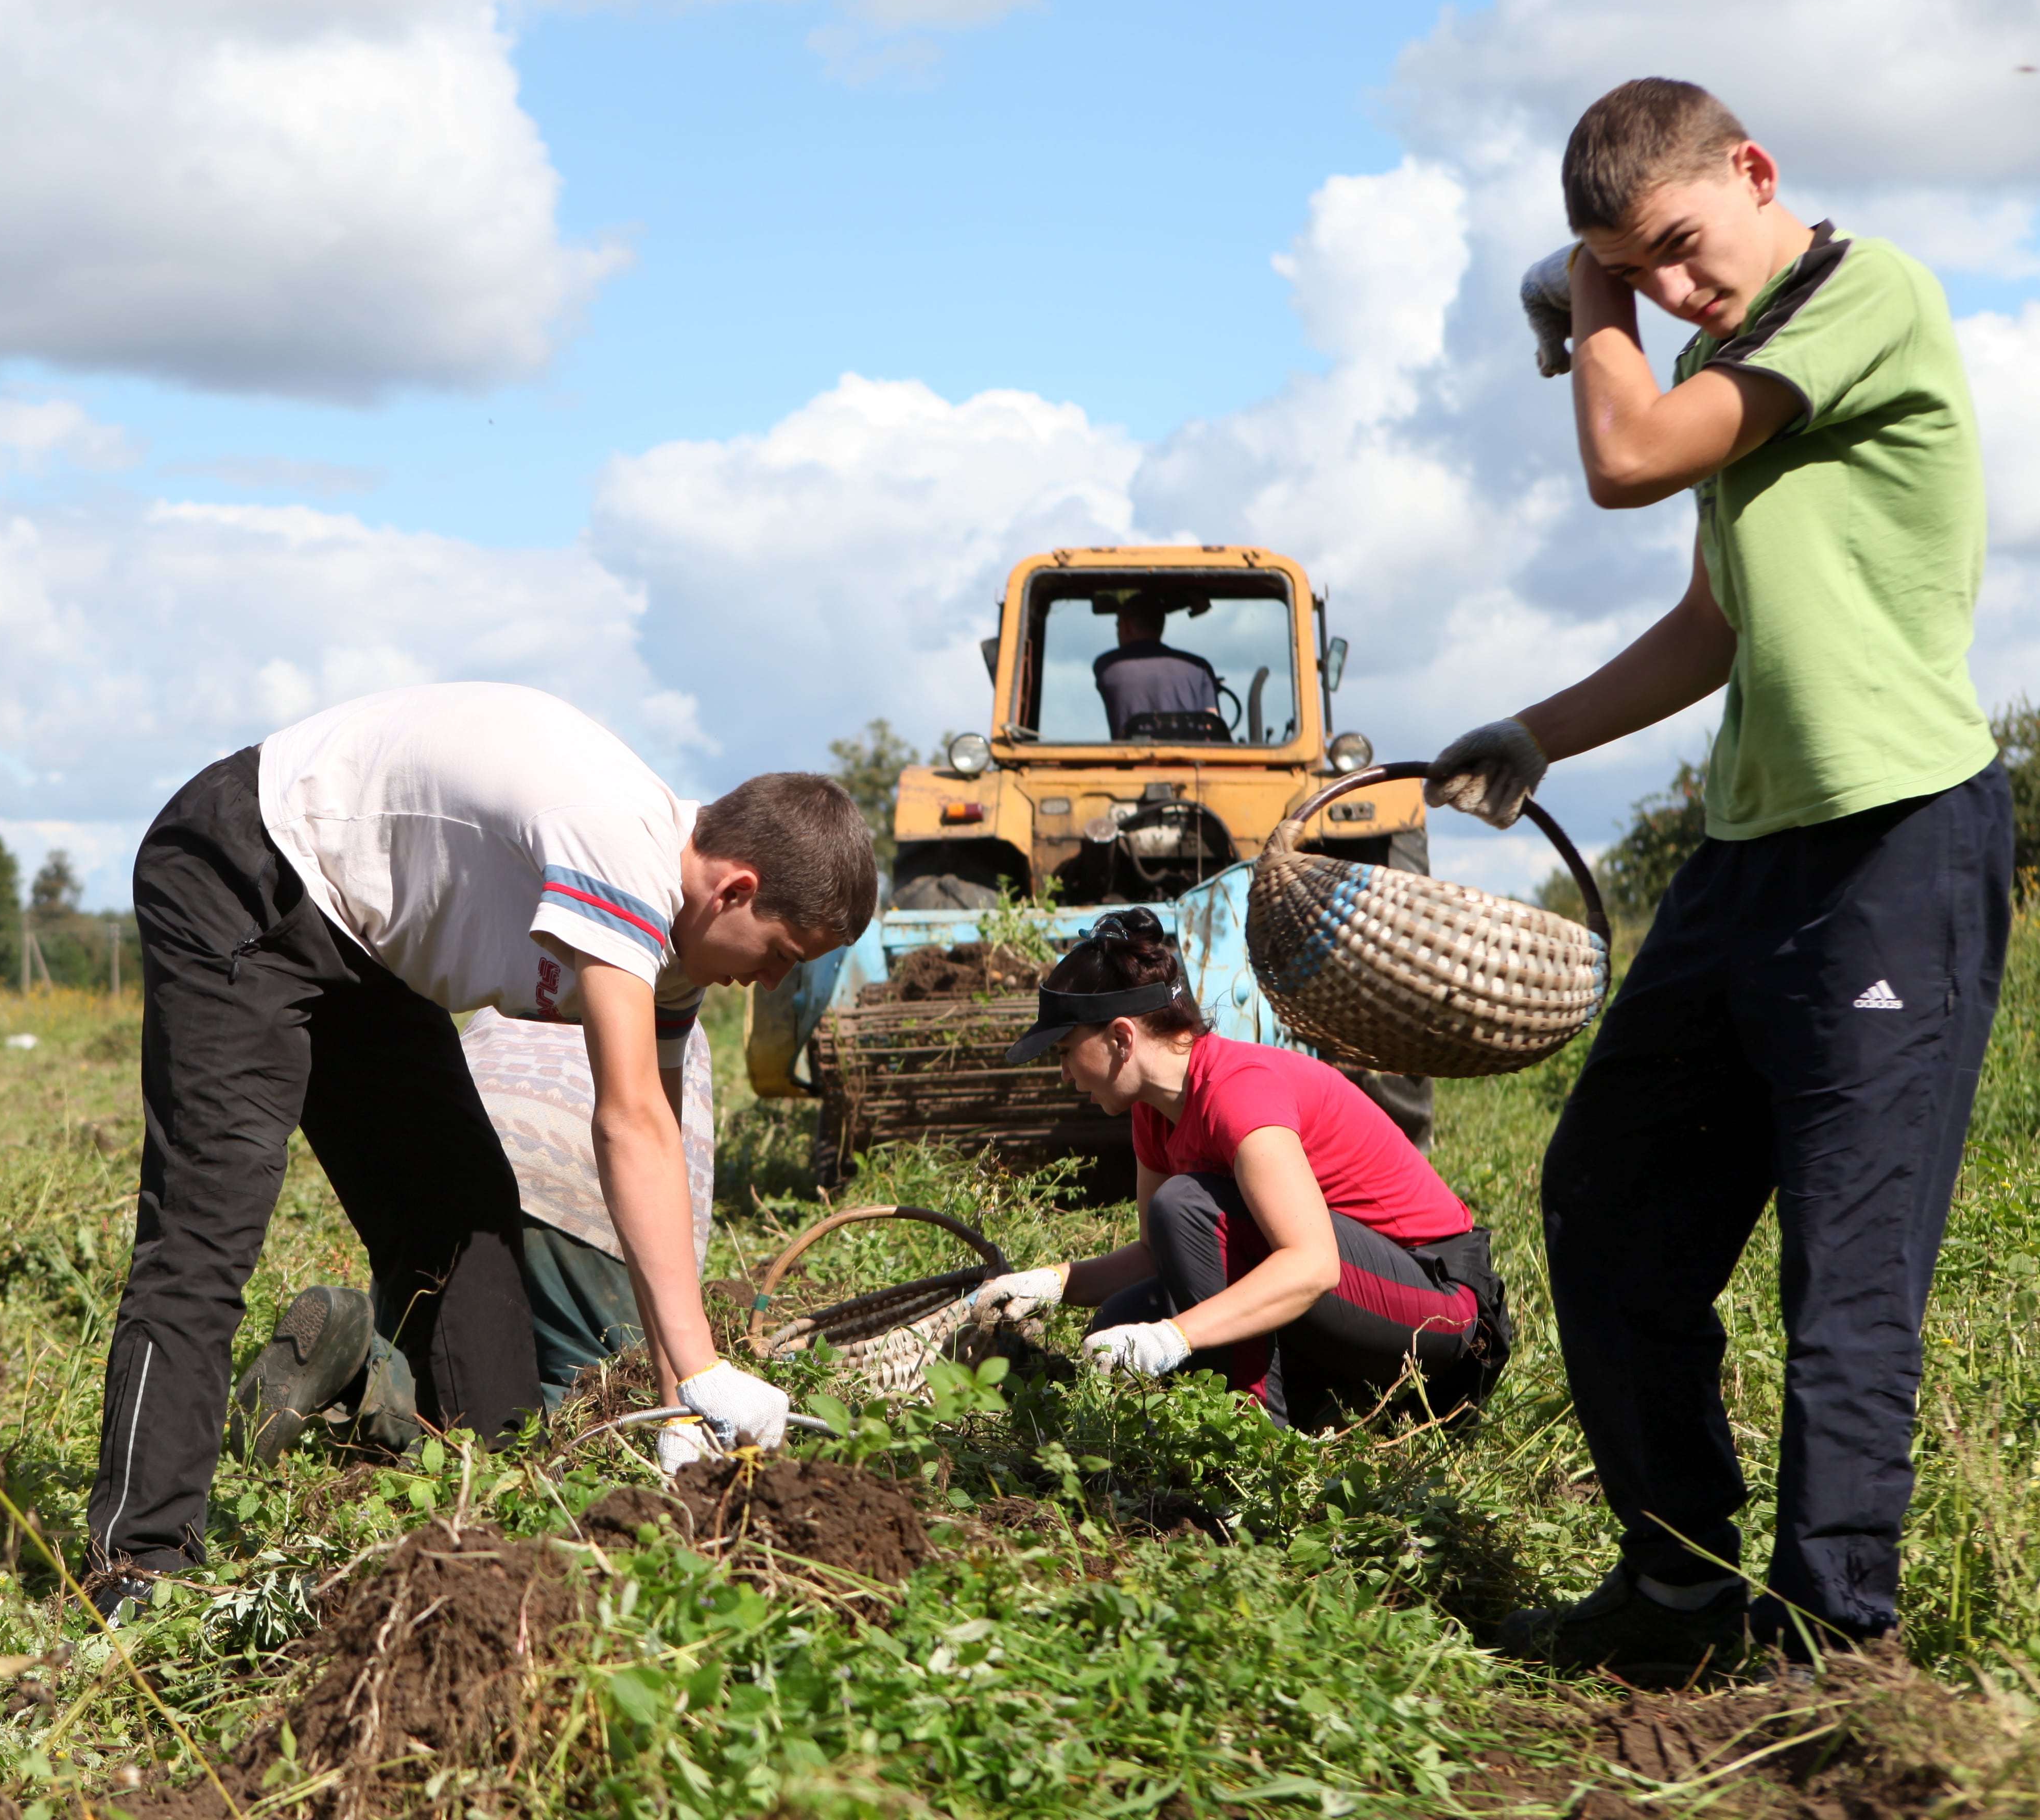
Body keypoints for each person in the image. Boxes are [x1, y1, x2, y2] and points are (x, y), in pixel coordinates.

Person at [1448, 79, 2006, 1676]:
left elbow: (1621, 459)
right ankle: (1680, 1587)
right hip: (1749, 854)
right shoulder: (1724, 361)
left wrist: (1592, 288)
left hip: (1898, 838)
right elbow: (1717, 613)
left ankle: (1838, 1641)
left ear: (1756, 171)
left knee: (1851, 1258)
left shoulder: (1868, 294)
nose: (1679, 288)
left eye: (1683, 249)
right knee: (1609, 1202)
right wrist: (1538, 729)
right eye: (1645, 267)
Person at [84, 683, 877, 1613]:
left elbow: (656, 1153)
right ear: (735, 889)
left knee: (461, 1218)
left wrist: (679, 1402)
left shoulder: (676, 945)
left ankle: (500, 1516)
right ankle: (136, 1567)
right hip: (248, 869)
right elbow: (624, 1118)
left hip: (366, 947)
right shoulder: (623, 844)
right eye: (782, 952)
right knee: (205, 1231)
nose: (772, 980)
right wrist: (703, 1370)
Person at [965, 911, 1510, 1428]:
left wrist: (1175, 1336)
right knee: (1121, 1317)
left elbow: (1314, 1265)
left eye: (1064, 1050)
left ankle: (1257, 1444)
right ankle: (1315, 1405)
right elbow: (1156, 1255)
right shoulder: (1154, 1113)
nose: (1062, 1073)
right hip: (1359, 1303)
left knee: (1185, 1207)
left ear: (1122, 1038)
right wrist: (1056, 1282)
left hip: (1448, 1312)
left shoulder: (1237, 1091)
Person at [229, 1008, 718, 1461]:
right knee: (570, 1408)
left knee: (431, 1351)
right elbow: (663, 1165)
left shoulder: (511, 980)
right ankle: (383, 1402)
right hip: (583, 1200)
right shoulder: (671, 1010)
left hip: (455, 1162)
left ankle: (359, 1363)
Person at [1092, 599, 1220, 738]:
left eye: (1118, 626)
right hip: (1191, 759)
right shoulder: (1200, 667)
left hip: (1131, 759)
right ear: (1161, 625)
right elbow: (1212, 726)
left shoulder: (1108, 665)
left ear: (1126, 626)